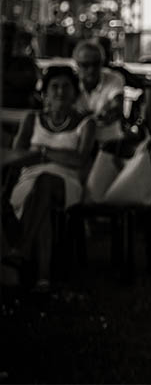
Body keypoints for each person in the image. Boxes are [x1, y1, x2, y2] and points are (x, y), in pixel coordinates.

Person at [9, 66, 96, 293]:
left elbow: (79, 161)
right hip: (29, 180)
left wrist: (42, 153)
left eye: (66, 87)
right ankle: (43, 278)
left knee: (46, 181)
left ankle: (22, 249)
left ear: (75, 93)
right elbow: (17, 157)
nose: (60, 92)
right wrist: (57, 155)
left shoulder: (86, 123)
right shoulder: (32, 119)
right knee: (42, 201)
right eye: (54, 87)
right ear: (44, 93)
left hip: (67, 184)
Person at [72, 39, 125, 143]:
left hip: (109, 143)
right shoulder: (70, 82)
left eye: (95, 64)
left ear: (102, 63)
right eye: (86, 65)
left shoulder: (114, 78)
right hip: (77, 143)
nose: (91, 69)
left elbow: (117, 107)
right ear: (77, 65)